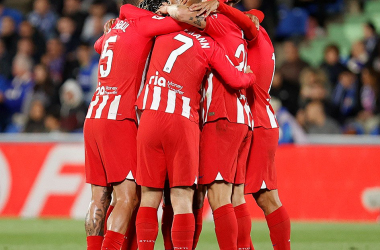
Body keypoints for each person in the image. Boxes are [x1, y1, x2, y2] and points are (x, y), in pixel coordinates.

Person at [136, 1, 256, 249]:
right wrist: (250, 75)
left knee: (149, 197)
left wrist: (169, 10)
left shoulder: (161, 31)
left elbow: (130, 14)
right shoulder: (210, 44)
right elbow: (236, 78)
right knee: (183, 198)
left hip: (150, 115)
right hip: (183, 121)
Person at [84, 1, 190, 249]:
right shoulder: (145, 24)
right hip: (119, 117)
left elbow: (99, 44)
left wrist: (114, 23)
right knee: (128, 198)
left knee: (98, 197)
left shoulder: (117, 26)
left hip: (95, 114)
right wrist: (172, 11)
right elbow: (185, 22)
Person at [189, 1, 292, 249]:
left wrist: (218, 8)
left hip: (252, 119)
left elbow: (249, 20)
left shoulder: (244, 31)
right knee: (236, 196)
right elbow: (253, 17)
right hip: (254, 117)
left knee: (263, 197)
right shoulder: (250, 30)